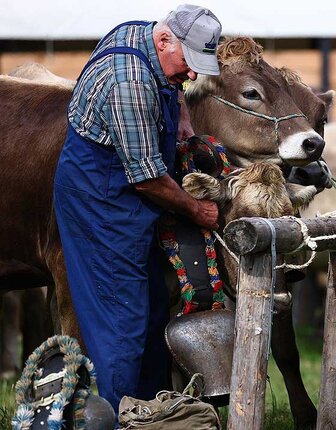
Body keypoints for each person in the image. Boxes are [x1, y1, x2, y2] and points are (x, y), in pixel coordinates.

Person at [53, 4, 221, 412]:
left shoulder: (142, 34)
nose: (192, 74)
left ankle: (151, 413)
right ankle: (119, 416)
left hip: (127, 195)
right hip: (102, 199)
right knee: (121, 325)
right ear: (165, 40)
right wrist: (197, 211)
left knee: (149, 313)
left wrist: (180, 112)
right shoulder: (128, 81)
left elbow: (173, 83)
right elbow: (146, 177)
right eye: (187, 63)